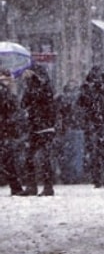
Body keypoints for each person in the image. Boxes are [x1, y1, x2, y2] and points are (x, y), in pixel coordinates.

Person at [76, 66, 104, 188]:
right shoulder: (89, 88)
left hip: (101, 123)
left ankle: (102, 176)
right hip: (96, 123)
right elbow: (81, 104)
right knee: (97, 151)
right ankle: (99, 176)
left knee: (100, 151)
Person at [21, 63, 57, 196]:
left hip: (44, 127)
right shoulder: (32, 87)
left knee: (43, 159)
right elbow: (24, 103)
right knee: (30, 158)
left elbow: (37, 100)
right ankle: (33, 186)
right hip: (36, 126)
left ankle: (47, 187)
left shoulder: (43, 87)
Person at [0, 68, 28, 196]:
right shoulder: (4, 93)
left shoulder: (6, 92)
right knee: (8, 159)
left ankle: (15, 186)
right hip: (4, 129)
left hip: (6, 130)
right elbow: (10, 109)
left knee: (8, 159)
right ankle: (15, 187)